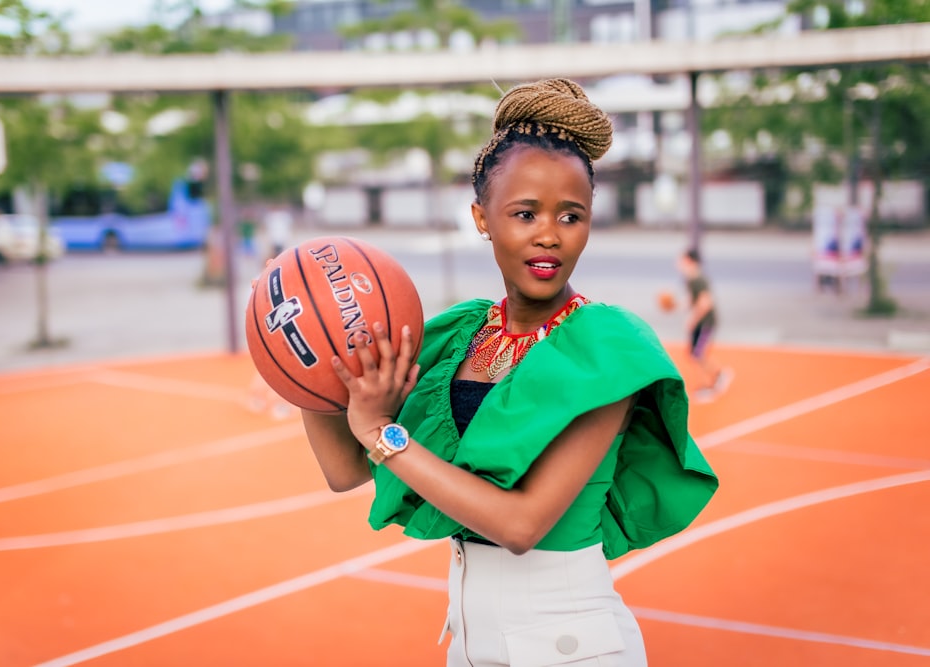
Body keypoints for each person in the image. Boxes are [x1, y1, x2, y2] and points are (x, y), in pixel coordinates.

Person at [301, 78, 719, 667]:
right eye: (525, 214)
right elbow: (344, 471)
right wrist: (302, 353)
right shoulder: (458, 335)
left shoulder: (604, 348)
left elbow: (521, 524)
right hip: (471, 644)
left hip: (574, 647)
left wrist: (382, 434)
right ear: (482, 217)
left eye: (570, 216)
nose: (549, 234)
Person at [676, 247, 734, 402]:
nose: (678, 263)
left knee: (698, 353)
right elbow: (692, 300)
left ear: (689, 260)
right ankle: (714, 379)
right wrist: (676, 305)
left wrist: (692, 320)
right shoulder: (691, 279)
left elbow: (705, 303)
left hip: (705, 322)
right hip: (700, 322)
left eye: (681, 260)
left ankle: (716, 379)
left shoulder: (698, 279)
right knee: (695, 353)